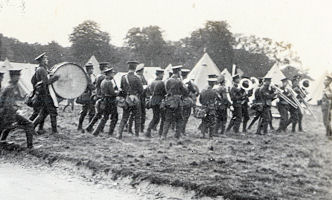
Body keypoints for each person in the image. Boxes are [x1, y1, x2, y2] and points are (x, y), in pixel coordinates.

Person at [0, 69, 34, 148]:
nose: (19, 78)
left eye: (19, 76)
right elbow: (8, 105)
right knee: (29, 124)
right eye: (17, 76)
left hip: (4, 114)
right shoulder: (10, 87)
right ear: (12, 77)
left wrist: (16, 107)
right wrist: (13, 116)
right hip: (7, 115)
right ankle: (30, 147)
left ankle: (2, 140)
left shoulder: (7, 85)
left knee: (3, 126)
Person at [31, 53, 60, 134]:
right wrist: (55, 78)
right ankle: (54, 131)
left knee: (44, 112)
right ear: (42, 61)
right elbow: (45, 82)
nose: (47, 60)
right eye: (45, 59)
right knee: (52, 111)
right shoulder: (42, 69)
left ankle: (32, 127)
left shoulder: (42, 69)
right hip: (45, 94)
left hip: (43, 93)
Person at [117, 61, 143, 139]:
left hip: (127, 99)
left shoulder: (123, 77)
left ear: (128, 67)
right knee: (137, 117)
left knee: (124, 117)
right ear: (135, 68)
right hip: (135, 99)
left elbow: (121, 88)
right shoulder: (137, 78)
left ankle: (119, 133)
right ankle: (137, 134)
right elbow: (141, 90)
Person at [161, 65, 188, 140]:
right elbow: (185, 91)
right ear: (178, 72)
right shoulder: (179, 81)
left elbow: (166, 89)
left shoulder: (168, 80)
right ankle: (177, 135)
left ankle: (163, 135)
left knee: (168, 119)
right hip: (177, 101)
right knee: (180, 119)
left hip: (169, 101)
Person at [92, 68, 118, 136]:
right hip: (110, 101)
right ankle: (110, 132)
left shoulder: (103, 81)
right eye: (112, 73)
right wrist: (118, 92)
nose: (113, 75)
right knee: (115, 117)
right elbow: (112, 93)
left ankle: (96, 132)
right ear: (109, 74)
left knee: (105, 117)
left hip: (105, 100)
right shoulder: (109, 82)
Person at [85, 62, 109, 133]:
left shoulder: (98, 76)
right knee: (102, 114)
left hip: (97, 96)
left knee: (98, 113)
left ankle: (91, 126)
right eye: (107, 68)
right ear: (104, 69)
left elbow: (95, 85)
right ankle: (97, 128)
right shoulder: (103, 77)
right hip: (102, 96)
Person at [145, 69, 166, 137]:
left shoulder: (152, 82)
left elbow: (149, 91)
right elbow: (165, 92)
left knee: (155, 117)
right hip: (160, 101)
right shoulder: (162, 83)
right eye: (162, 74)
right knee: (163, 117)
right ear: (159, 74)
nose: (163, 76)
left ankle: (148, 130)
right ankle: (161, 132)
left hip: (153, 101)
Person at [128, 64, 148, 133]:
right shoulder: (138, 77)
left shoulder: (140, 77)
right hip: (140, 97)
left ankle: (130, 128)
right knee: (140, 113)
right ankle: (140, 129)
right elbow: (141, 88)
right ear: (140, 71)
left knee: (133, 114)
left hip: (139, 97)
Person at [77, 63, 96, 132]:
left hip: (87, 96)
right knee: (91, 112)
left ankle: (80, 126)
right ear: (89, 69)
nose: (93, 70)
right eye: (92, 69)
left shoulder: (87, 76)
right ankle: (89, 127)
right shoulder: (87, 77)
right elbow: (90, 86)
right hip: (87, 97)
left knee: (85, 112)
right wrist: (95, 86)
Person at [181, 69, 199, 135]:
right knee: (186, 116)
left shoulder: (179, 81)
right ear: (187, 74)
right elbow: (194, 90)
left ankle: (179, 130)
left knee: (180, 115)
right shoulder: (188, 82)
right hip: (186, 100)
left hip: (179, 100)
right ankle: (182, 130)